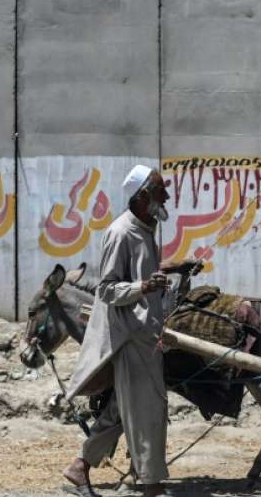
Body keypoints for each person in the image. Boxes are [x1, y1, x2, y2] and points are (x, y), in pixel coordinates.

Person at [61, 164, 201, 497]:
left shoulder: (146, 229)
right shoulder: (120, 233)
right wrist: (143, 287)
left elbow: (142, 272)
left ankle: (80, 467)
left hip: (146, 336)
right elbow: (107, 289)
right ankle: (151, 485)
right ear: (143, 196)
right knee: (148, 411)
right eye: (161, 190)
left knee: (124, 411)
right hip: (130, 338)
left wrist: (172, 269)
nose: (166, 196)